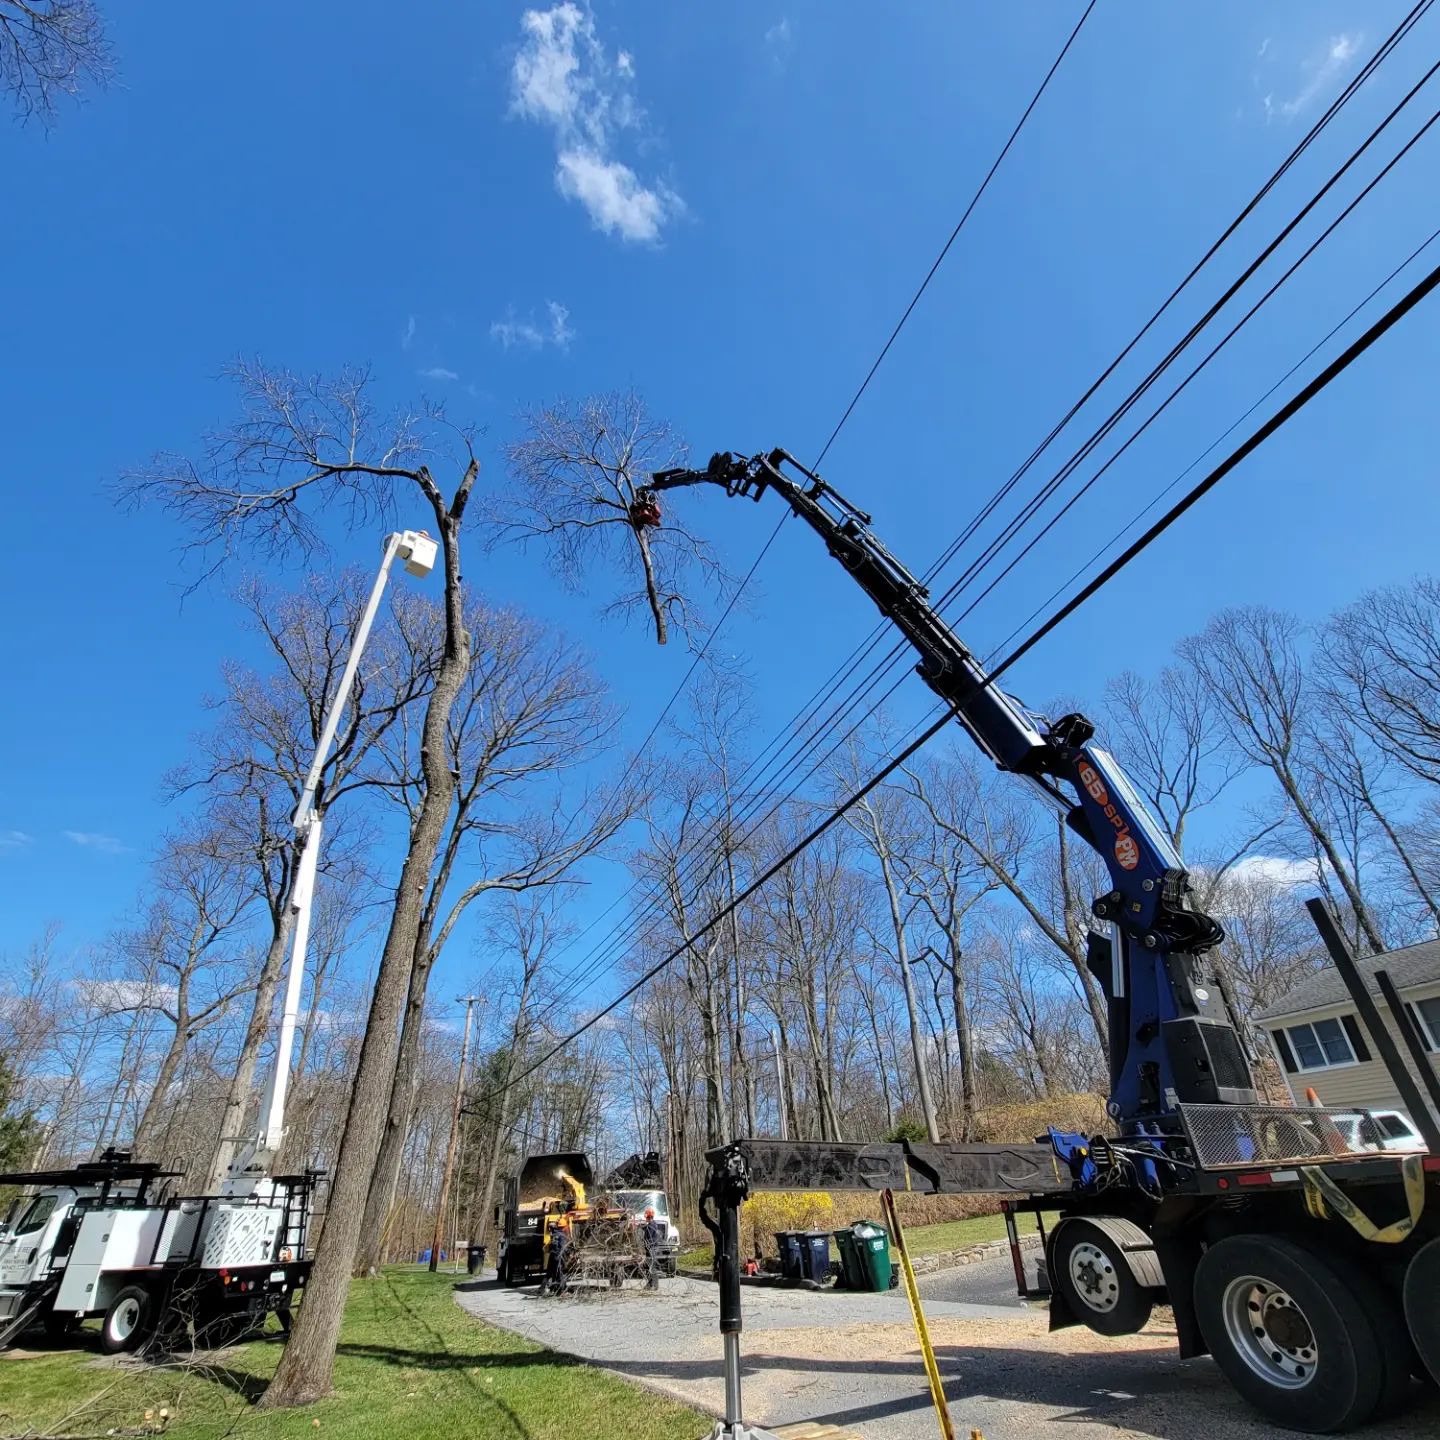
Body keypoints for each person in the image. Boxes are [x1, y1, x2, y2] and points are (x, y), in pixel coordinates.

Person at [543, 1216, 571, 1296]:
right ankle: (562, 1291)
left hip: (553, 1256)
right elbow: (563, 1247)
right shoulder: (562, 1235)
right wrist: (569, 1253)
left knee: (554, 1273)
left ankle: (554, 1289)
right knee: (561, 1274)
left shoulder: (554, 1234)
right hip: (559, 1256)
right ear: (563, 1227)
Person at [640, 1206, 664, 1290]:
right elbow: (647, 1228)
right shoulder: (652, 1224)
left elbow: (649, 1234)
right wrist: (640, 1226)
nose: (645, 1218)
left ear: (647, 1216)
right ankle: (650, 1284)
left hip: (651, 1249)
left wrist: (644, 1242)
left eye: (646, 1216)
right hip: (651, 1248)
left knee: (651, 1267)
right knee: (649, 1267)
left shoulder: (651, 1225)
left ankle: (654, 1285)